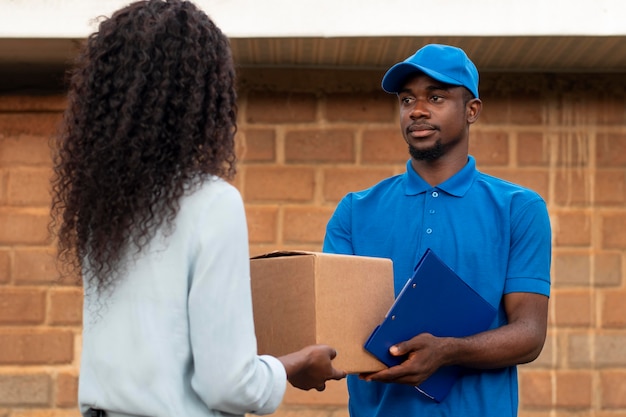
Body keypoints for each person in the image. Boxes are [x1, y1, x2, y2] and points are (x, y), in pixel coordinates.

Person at [49, 1, 346, 416]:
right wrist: (296, 364)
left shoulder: (105, 207)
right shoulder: (211, 203)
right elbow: (228, 386)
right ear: (203, 94)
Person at [323, 44, 551, 416]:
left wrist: (449, 351)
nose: (417, 110)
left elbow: (529, 335)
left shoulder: (518, 209)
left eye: (437, 96)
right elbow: (332, 323)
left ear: (471, 110)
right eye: (407, 99)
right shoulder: (355, 210)